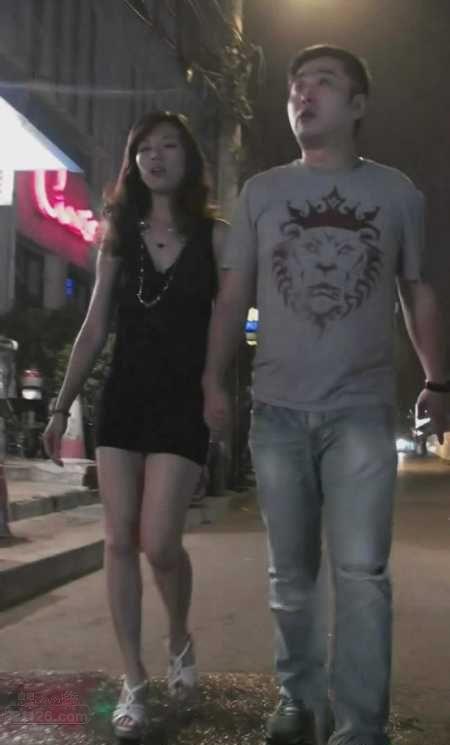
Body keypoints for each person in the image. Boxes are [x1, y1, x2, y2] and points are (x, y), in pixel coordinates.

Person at [202, 45, 449, 745]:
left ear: (358, 104)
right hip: (277, 411)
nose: (304, 95)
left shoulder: (397, 194)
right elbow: (234, 296)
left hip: (361, 411)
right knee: (291, 575)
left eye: (323, 83)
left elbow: (415, 292)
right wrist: (212, 378)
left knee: (363, 572)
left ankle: (361, 724)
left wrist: (437, 379)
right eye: (296, 85)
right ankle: (298, 700)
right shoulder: (261, 193)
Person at [43, 111, 227, 740]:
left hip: (181, 404)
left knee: (160, 542)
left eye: (169, 146)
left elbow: (228, 324)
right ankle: (134, 679)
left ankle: (179, 635)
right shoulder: (119, 236)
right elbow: (95, 325)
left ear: (188, 159)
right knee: (118, 540)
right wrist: (61, 405)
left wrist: (218, 391)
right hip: (123, 400)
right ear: (133, 163)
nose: (156, 156)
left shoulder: (216, 238)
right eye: (145, 148)